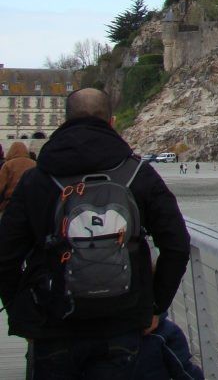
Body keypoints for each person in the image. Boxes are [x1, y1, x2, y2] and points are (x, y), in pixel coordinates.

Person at [0, 87, 191, 378]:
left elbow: (5, 255)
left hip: (51, 322)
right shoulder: (138, 173)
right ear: (112, 122)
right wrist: (155, 306)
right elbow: (176, 244)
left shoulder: (36, 179)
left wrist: (22, 314)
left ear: (64, 120)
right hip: (123, 321)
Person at [0, 141, 37, 213]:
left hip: (10, 203)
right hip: (31, 202)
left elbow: (1, 186)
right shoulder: (34, 164)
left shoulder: (8, 165)